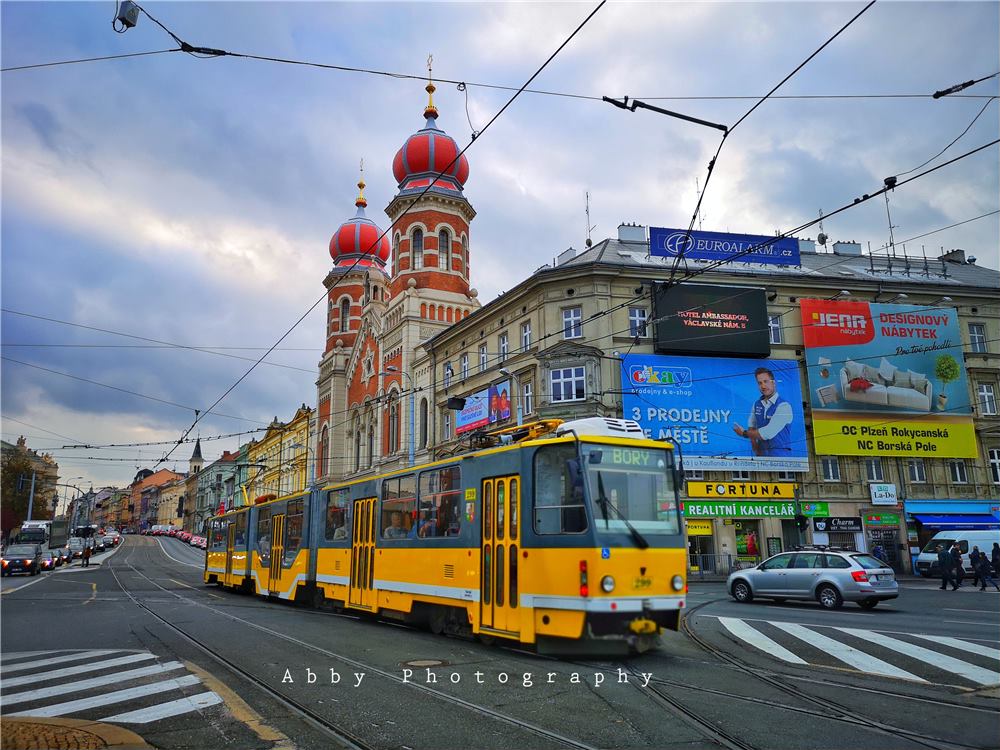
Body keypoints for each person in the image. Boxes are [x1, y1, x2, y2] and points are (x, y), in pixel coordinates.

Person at [732, 367, 794, 456]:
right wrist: (755, 447)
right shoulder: (756, 404)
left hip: (781, 457)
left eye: (766, 381)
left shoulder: (784, 406)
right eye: (760, 383)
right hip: (762, 457)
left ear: (773, 383)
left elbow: (768, 433)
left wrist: (744, 433)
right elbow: (751, 425)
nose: (763, 386)